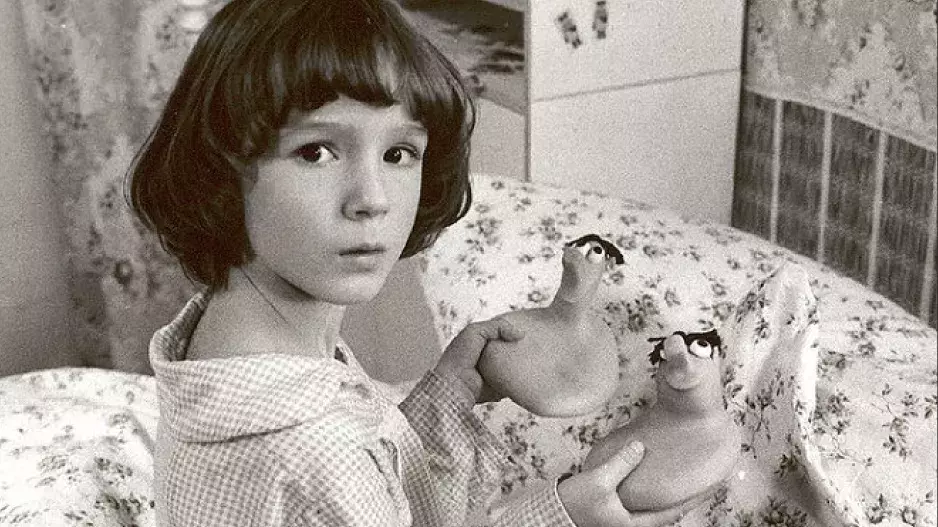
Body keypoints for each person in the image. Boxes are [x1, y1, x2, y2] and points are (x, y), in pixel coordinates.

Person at [128, 0, 701, 525]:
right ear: (221, 165)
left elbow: (376, 486)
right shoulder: (315, 450)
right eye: (317, 151)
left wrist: (448, 395)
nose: (372, 198)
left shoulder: (235, 342)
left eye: (399, 153)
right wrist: (561, 518)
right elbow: (336, 477)